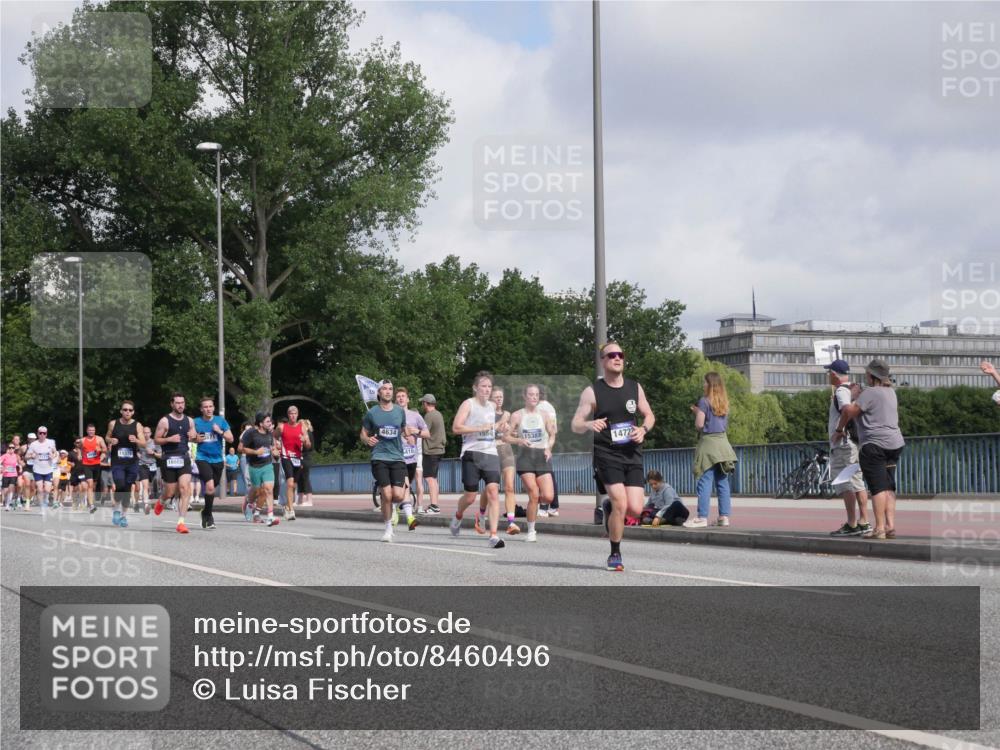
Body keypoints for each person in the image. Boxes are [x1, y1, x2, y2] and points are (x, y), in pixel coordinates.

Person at [571, 342, 654, 571]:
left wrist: (643, 430)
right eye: (612, 355)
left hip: (631, 452)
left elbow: (648, 415)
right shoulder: (593, 391)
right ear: (603, 361)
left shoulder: (634, 388)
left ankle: (608, 508)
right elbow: (575, 424)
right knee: (621, 502)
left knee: (635, 510)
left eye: (621, 355)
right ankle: (615, 553)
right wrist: (589, 423)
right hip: (607, 453)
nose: (617, 358)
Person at [834, 359, 905, 540]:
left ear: (872, 375)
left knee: (878, 488)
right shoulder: (891, 392)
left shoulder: (870, 393)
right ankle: (890, 526)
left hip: (874, 445)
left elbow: (849, 411)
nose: (865, 376)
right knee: (889, 486)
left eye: (867, 373)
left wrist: (839, 429)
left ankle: (879, 528)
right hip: (895, 444)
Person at [450, 371, 506, 549]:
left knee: (493, 493)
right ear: (475, 388)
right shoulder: (468, 404)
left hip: (490, 453)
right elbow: (456, 428)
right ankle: (458, 515)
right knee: (470, 497)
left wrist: (502, 427)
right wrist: (477, 428)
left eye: (489, 386)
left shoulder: (492, 406)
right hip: (471, 453)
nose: (487, 389)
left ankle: (494, 535)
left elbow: (496, 427)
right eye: (483, 386)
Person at [362, 380, 417, 542]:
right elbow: (363, 433)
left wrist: (409, 436)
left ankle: (394, 507)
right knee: (386, 494)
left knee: (398, 496)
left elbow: (403, 428)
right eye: (384, 389)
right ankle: (388, 528)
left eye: (390, 389)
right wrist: (367, 440)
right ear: (379, 392)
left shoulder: (399, 412)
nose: (388, 391)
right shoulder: (372, 413)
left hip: (397, 458)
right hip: (379, 457)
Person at [823, 360, 871, 536]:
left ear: (834, 374)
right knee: (858, 482)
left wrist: (838, 430)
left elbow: (847, 410)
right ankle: (864, 521)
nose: (828, 375)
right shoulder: (854, 389)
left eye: (829, 373)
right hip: (854, 443)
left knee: (845, 483)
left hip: (843, 445)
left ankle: (852, 524)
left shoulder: (842, 391)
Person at [684, 372, 738, 528]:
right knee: (722, 482)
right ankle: (724, 517)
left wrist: (697, 413)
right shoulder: (725, 402)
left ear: (710, 385)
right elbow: (722, 424)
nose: (703, 385)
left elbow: (700, 425)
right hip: (723, 443)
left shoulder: (704, 401)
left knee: (704, 480)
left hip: (708, 444)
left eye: (704, 382)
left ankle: (702, 517)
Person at [505, 383, 557, 543]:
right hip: (525, 457)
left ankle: (531, 507)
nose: (534, 397)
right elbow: (505, 437)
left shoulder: (544, 415)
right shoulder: (517, 416)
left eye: (536, 395)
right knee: (534, 494)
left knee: (548, 497)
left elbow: (552, 434)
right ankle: (531, 530)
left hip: (542, 456)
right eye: (531, 395)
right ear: (524, 397)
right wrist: (519, 440)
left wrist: (549, 447)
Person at [153, 392, 198, 534]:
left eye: (182, 403)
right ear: (172, 404)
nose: (180, 405)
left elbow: (195, 438)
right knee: (170, 491)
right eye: (177, 403)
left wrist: (195, 437)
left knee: (185, 489)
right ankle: (161, 501)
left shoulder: (189, 421)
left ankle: (181, 523)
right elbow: (156, 440)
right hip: (169, 458)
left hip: (184, 457)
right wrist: (169, 439)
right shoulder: (164, 421)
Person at [479, 386, 519, 535]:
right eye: (496, 397)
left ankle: (511, 522)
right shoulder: (485, 414)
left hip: (506, 451)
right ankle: (482, 516)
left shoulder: (508, 414)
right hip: (491, 452)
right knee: (490, 488)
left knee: (509, 486)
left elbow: (511, 433)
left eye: (501, 397)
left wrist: (513, 432)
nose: (499, 399)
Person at [193, 396, 233, 530]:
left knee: (211, 489)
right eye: (205, 407)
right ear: (201, 409)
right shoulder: (196, 422)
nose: (208, 409)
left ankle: (205, 511)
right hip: (202, 457)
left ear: (214, 408)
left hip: (218, 460)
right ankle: (208, 517)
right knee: (209, 487)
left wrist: (219, 431)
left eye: (210, 406)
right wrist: (195, 439)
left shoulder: (220, 421)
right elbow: (189, 436)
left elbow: (231, 438)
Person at [106, 400, 146, 528]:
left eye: (130, 410)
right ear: (121, 411)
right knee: (120, 484)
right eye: (125, 410)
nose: (127, 412)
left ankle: (123, 516)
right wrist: (111, 440)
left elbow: (144, 443)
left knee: (128, 488)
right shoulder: (113, 424)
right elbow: (107, 437)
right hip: (117, 461)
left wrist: (136, 440)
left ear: (133, 412)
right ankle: (116, 510)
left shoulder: (137, 425)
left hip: (132, 462)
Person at [239, 411, 280, 527]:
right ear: (261, 423)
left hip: (267, 465)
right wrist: (255, 452)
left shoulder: (270, 434)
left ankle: (270, 516)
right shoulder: (251, 433)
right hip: (254, 466)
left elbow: (272, 448)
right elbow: (240, 448)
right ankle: (249, 503)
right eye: (267, 421)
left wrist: (275, 452)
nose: (270, 423)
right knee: (256, 490)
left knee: (268, 489)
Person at [395, 388, 430, 517]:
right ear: (395, 400)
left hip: (411, 458)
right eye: (398, 396)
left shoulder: (415, 416)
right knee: (404, 485)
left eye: (403, 396)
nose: (401, 398)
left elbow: (427, 434)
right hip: (397, 457)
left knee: (405, 487)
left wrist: (417, 431)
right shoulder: (391, 415)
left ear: (408, 399)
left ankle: (396, 508)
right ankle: (409, 517)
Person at [275, 405, 310, 521]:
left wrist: (305, 441)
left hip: (297, 458)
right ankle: (290, 510)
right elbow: (273, 437)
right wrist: (276, 446)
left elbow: (308, 445)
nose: (293, 415)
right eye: (290, 413)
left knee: (293, 485)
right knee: (290, 483)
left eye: (295, 413)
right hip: (286, 457)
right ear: (288, 415)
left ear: (298, 415)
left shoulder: (302, 427)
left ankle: (286, 506)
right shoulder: (282, 427)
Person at [419, 394, 446, 515]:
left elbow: (425, 433)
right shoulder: (438, 414)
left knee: (429, 478)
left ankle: (434, 506)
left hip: (431, 451)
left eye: (423, 403)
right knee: (434, 479)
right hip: (439, 449)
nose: (422, 405)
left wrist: (415, 431)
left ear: (426, 403)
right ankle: (435, 504)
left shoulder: (429, 415)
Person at [536, 386, 559, 517]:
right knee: (549, 476)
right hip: (547, 444)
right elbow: (554, 429)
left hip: (540, 446)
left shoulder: (541, 408)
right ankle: (554, 507)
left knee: (543, 477)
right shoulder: (550, 407)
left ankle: (544, 507)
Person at [26, 427, 59, 512]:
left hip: (48, 469)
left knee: (47, 490)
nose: (42, 435)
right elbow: (26, 457)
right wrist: (31, 456)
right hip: (37, 469)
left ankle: (46, 500)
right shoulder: (34, 444)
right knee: (40, 489)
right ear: (37, 434)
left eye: (44, 433)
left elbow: (55, 452)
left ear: (46, 434)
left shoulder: (51, 442)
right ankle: (42, 506)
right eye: (40, 433)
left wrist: (53, 455)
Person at [79, 423, 106, 512]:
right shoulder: (83, 440)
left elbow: (105, 449)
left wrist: (100, 450)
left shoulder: (99, 439)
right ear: (87, 431)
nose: (91, 432)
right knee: (90, 484)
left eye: (93, 430)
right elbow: (79, 447)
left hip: (96, 464)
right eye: (90, 430)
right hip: (86, 464)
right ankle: (91, 505)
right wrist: (79, 454)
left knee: (93, 486)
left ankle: (90, 500)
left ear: (95, 431)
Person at [137, 425, 161, 513]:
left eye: (147, 432)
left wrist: (153, 453)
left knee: (149, 485)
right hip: (142, 465)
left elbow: (161, 455)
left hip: (153, 466)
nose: (146, 434)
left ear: (150, 433)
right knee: (145, 485)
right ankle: (146, 504)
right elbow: (135, 450)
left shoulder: (155, 443)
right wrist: (137, 454)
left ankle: (146, 499)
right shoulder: (139, 442)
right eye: (144, 433)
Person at [298, 418, 315, 507]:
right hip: (300, 458)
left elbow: (309, 447)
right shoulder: (302, 434)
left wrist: (303, 440)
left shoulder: (308, 434)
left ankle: (309, 500)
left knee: (305, 478)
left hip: (305, 458)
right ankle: (300, 499)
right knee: (300, 478)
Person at [2, 442, 20, 510]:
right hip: (6, 475)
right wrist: (2, 468)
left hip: (13, 474)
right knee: (6, 491)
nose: (11, 449)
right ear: (8, 449)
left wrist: (20, 467)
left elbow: (19, 463)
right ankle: (8, 501)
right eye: (10, 448)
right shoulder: (5, 455)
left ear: (14, 449)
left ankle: (7, 505)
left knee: (11, 489)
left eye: (13, 448)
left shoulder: (16, 456)